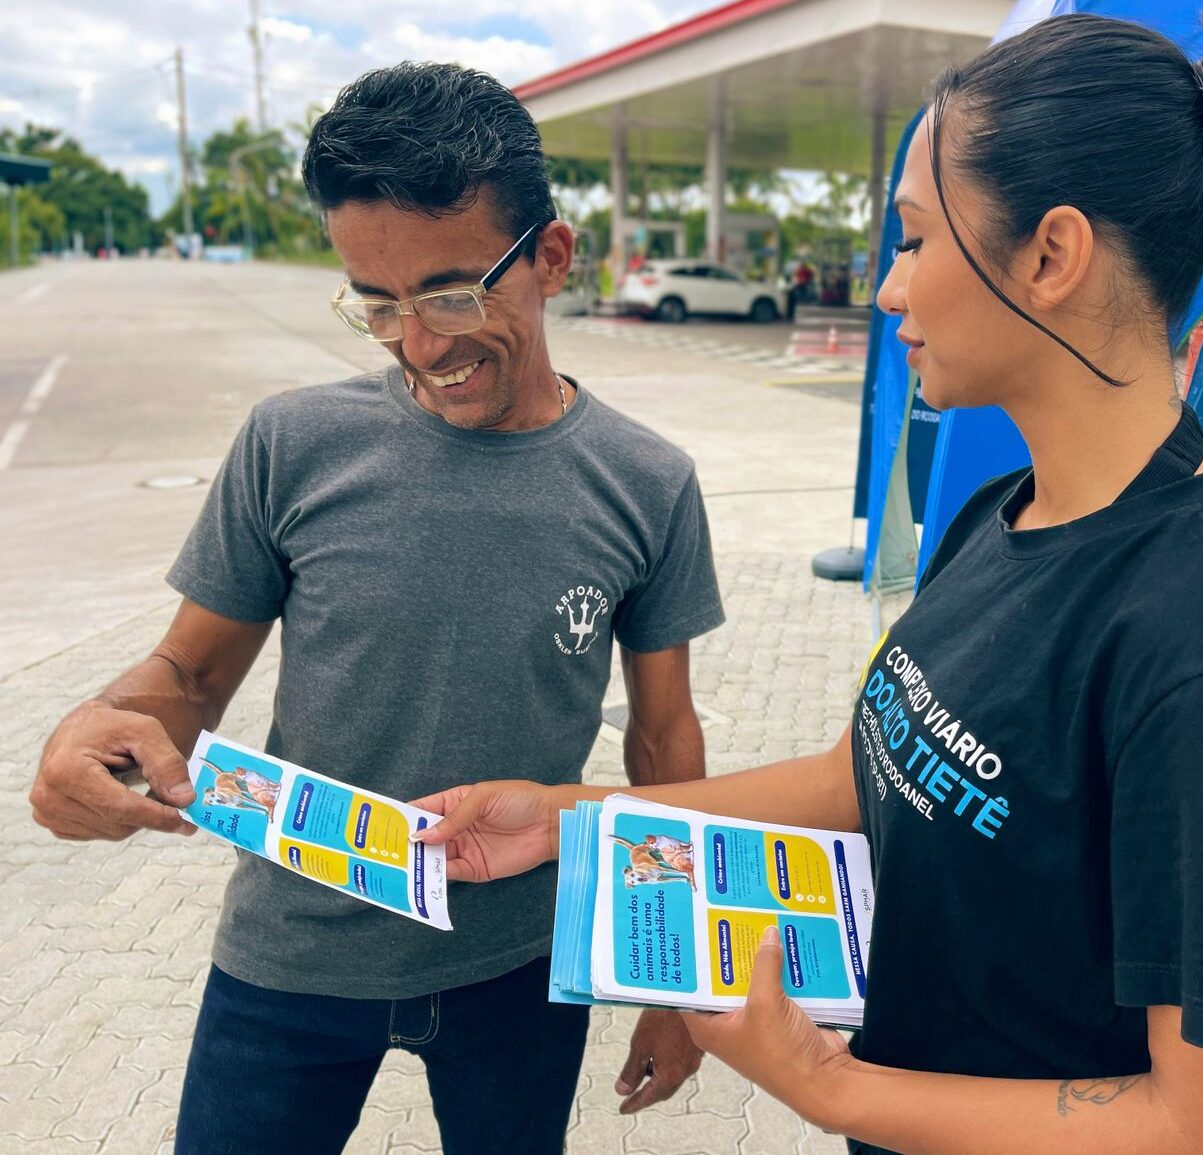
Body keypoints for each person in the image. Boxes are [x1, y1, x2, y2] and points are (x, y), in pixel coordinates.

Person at [415, 15, 1203, 1154]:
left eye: (913, 241)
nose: (885, 292)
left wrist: (830, 1086)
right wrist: (566, 822)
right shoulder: (999, 514)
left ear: (1050, 255)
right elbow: (863, 781)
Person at [29, 62, 725, 1154]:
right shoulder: (292, 444)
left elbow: (661, 737)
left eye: (452, 293)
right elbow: (192, 677)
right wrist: (96, 724)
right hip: (290, 955)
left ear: (550, 257)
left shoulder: (649, 482)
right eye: (378, 304)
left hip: (520, 964)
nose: (419, 343)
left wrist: (680, 979)